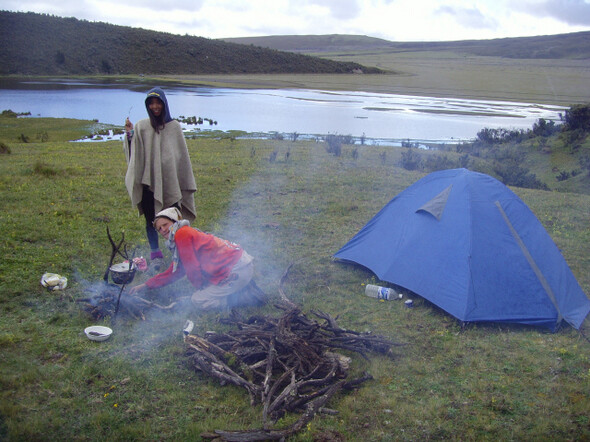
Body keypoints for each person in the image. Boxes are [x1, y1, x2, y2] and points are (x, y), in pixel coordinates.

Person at [124, 87, 197, 271]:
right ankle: (155, 254)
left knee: (174, 222)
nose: (155, 106)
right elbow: (136, 153)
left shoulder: (175, 127)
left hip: (171, 184)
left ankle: (180, 254)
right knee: (152, 220)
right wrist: (129, 135)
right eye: (151, 103)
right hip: (150, 185)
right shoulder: (141, 126)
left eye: (158, 103)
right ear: (148, 106)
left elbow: (181, 158)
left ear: (164, 104)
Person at [128, 207, 257, 310]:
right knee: (204, 292)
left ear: (174, 221)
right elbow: (176, 271)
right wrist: (146, 285)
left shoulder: (182, 234)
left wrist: (200, 287)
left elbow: (191, 267)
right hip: (241, 264)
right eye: (159, 229)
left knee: (198, 300)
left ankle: (243, 298)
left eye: (165, 224)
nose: (162, 230)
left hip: (237, 269)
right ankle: (241, 288)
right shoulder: (185, 233)